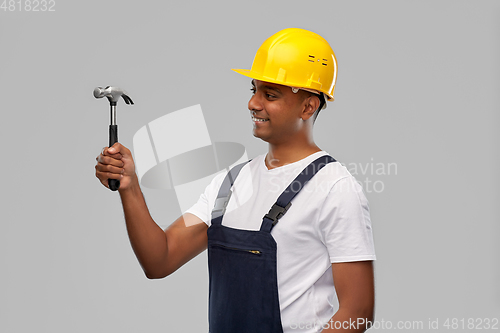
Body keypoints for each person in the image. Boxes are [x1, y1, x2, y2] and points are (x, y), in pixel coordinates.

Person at [95, 28, 376, 333]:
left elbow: (358, 311)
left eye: (270, 95)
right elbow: (159, 259)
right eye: (253, 90)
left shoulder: (334, 188)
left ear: (308, 106)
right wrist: (130, 187)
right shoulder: (229, 184)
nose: (253, 103)